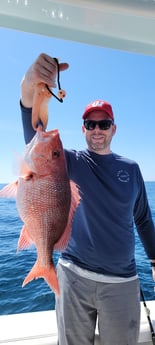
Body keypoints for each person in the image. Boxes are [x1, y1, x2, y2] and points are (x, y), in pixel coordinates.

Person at [20, 53, 155, 345]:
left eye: (103, 124)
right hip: (73, 275)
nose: (97, 130)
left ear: (113, 128)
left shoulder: (131, 169)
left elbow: (143, 218)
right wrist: (29, 88)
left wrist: (154, 259)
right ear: (82, 129)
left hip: (122, 282)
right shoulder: (69, 161)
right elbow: (34, 133)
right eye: (90, 125)